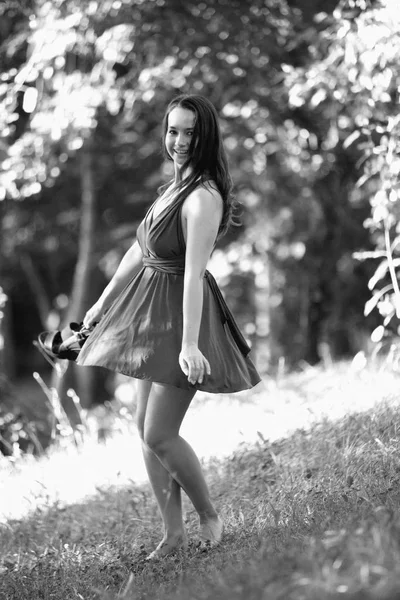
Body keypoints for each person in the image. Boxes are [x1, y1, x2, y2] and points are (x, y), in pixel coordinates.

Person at [76, 94, 261, 559]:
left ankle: (210, 517)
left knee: (160, 433)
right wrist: (101, 303)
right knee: (145, 431)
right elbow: (140, 250)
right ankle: (173, 535)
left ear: (205, 138)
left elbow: (194, 273)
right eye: (173, 131)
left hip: (183, 319)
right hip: (151, 313)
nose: (178, 141)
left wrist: (190, 344)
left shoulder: (202, 197)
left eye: (189, 133)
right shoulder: (173, 187)